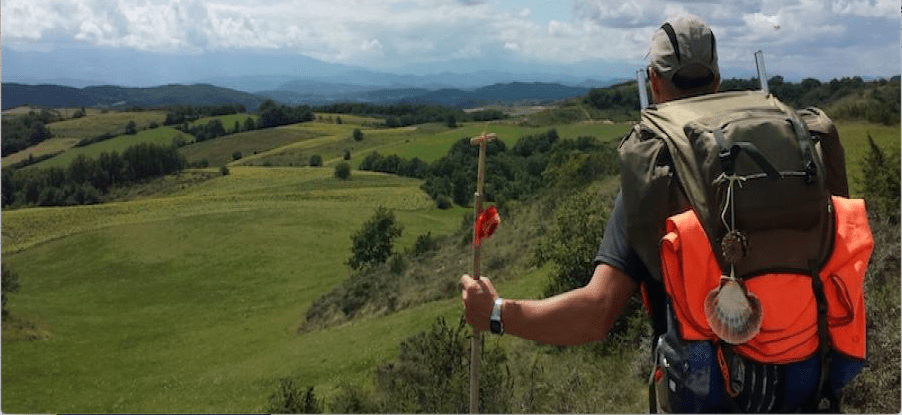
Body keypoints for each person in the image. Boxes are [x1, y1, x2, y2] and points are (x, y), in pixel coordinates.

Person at [460, 13, 720, 349]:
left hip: (701, 377)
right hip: (789, 366)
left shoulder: (653, 179)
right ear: (716, 83)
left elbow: (595, 314)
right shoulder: (773, 156)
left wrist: (495, 313)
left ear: (654, 82)